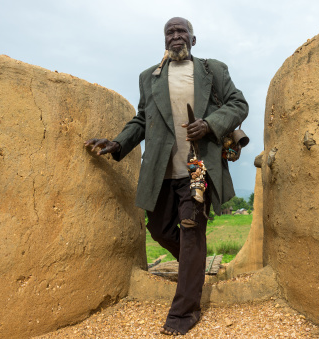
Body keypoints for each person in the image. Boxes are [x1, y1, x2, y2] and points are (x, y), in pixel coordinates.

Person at [84, 17, 248, 336]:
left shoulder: (212, 69)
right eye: (170, 32)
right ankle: (194, 266)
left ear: (193, 39)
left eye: (181, 31)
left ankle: (184, 312)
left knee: (190, 229)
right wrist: (118, 142)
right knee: (158, 229)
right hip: (161, 169)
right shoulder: (150, 77)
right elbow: (142, 118)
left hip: (197, 167)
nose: (176, 36)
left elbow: (238, 104)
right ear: (164, 41)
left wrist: (212, 123)